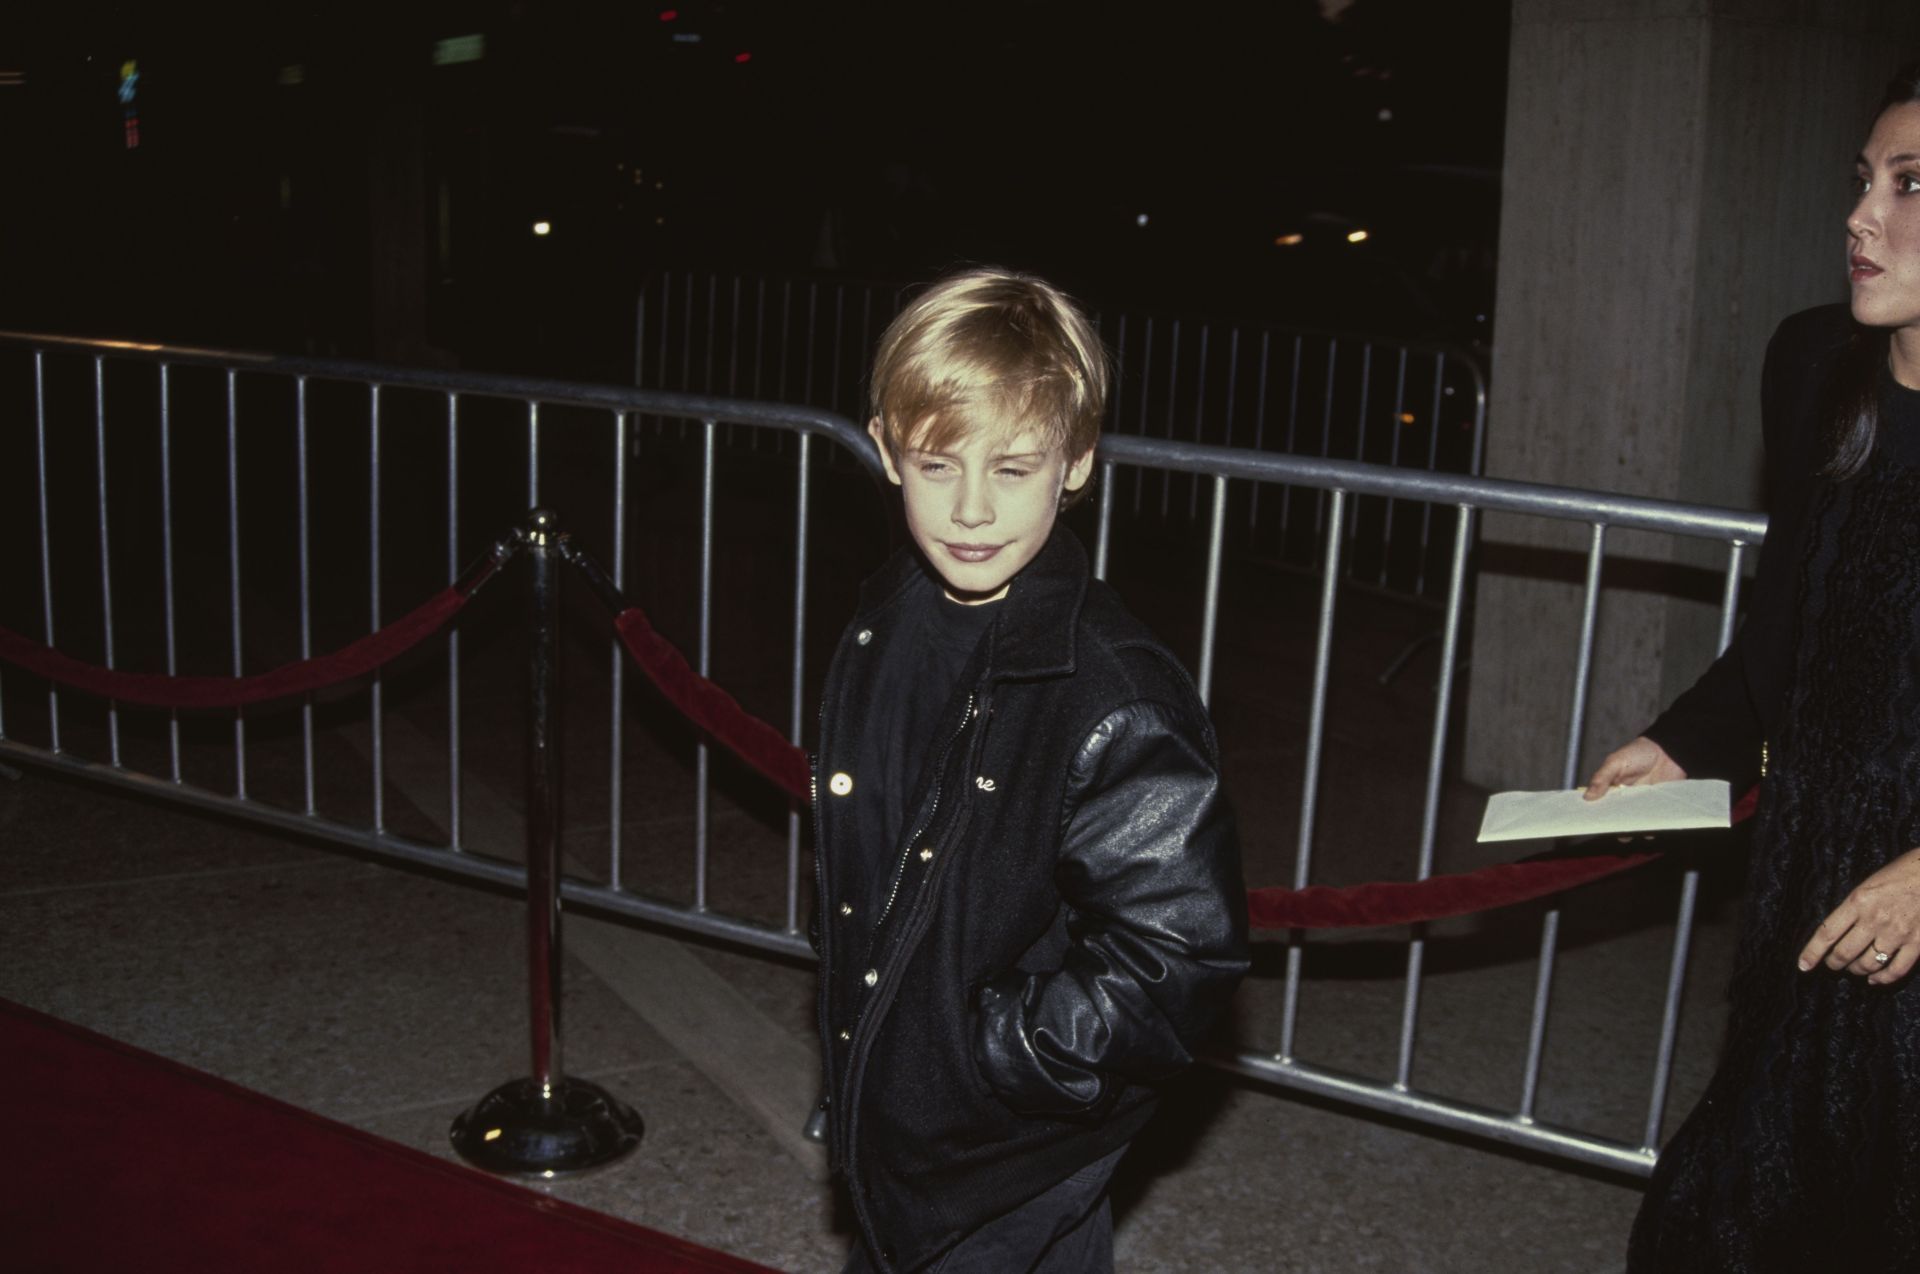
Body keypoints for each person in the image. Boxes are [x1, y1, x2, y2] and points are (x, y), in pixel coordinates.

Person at [811, 267, 1249, 1273]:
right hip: (907, 1116)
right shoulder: (887, 618)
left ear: (1077, 461)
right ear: (883, 449)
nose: (970, 509)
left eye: (1012, 469)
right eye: (936, 463)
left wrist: (988, 1054)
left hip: (1006, 1142)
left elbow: (1180, 952)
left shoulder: (1111, 688)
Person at [1583, 63, 1920, 1272]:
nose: (1862, 216)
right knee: (1728, 1212)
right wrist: (1686, 739)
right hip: (1812, 864)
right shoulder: (1815, 366)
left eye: (1912, 184)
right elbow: (1795, 617)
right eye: (1863, 180)